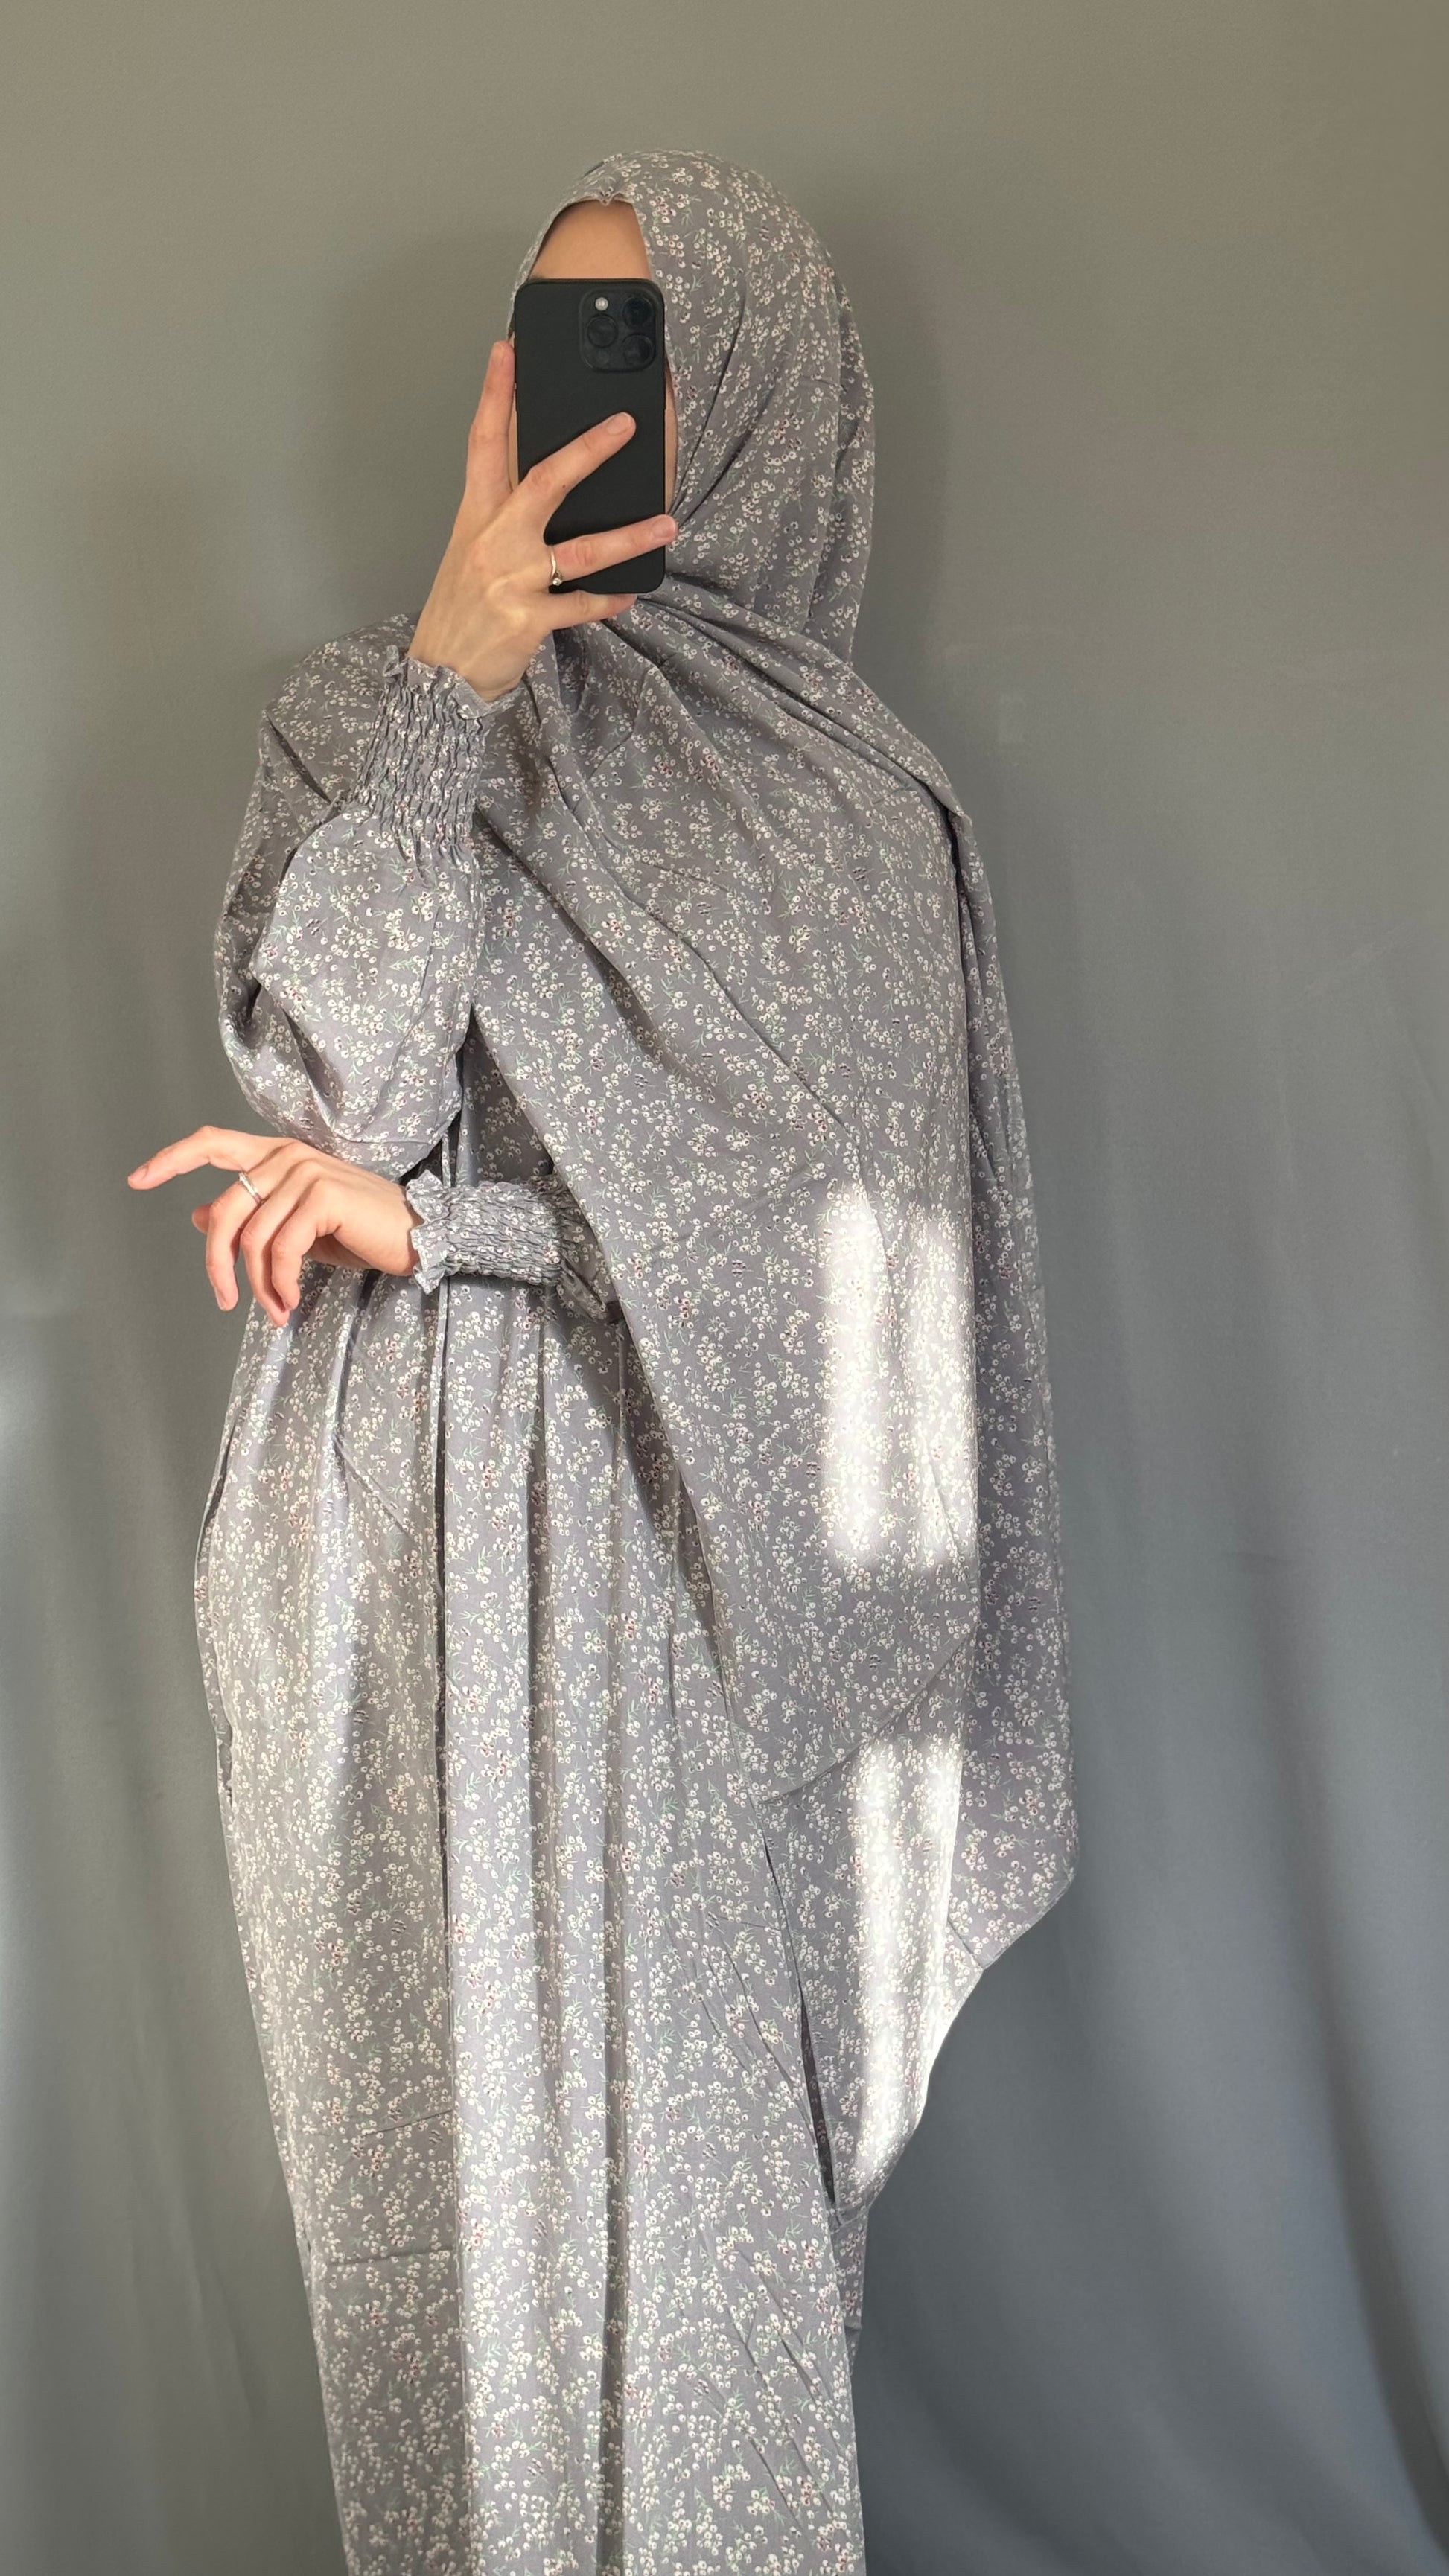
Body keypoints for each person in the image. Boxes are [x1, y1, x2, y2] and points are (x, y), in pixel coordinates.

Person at [129, 151, 1076, 2576]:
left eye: (638, 349)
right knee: (455, 2232)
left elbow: (841, 1281)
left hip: (692, 1590)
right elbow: (330, 1083)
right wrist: (449, 684)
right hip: (410, 1604)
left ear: (754, 396)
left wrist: (439, 1225)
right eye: (551, 343)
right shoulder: (369, 723)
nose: (582, 405)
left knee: (689, 2253)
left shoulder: (849, 809)